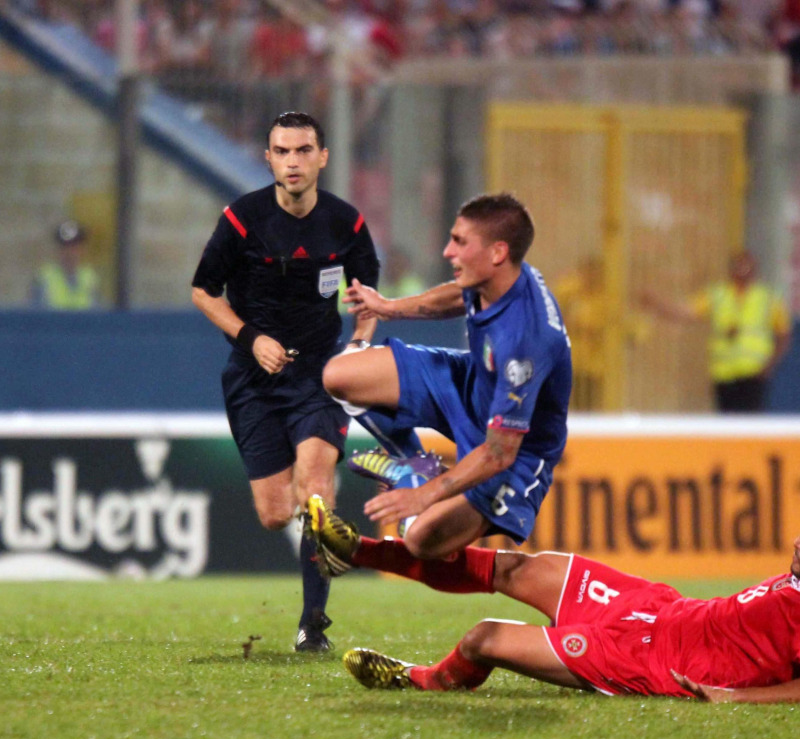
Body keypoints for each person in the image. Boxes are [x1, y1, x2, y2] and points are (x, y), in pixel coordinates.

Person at [191, 111, 380, 652]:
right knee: (276, 514)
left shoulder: (346, 223)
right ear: (269, 157)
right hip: (253, 378)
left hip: (318, 375)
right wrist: (251, 337)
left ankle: (312, 626)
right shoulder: (243, 219)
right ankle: (311, 533)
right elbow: (203, 291)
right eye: (282, 151)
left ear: (322, 156)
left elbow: (367, 297)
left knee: (316, 485)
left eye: (303, 150)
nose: (293, 161)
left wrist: (359, 346)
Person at [304, 500, 800, 703]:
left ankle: (417, 679)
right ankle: (358, 552)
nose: (796, 542)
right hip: (657, 606)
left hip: (651, 660)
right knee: (516, 565)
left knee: (483, 640)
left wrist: (738, 697)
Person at [320, 192, 572, 559]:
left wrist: (425, 496)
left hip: (515, 450)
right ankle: (412, 467)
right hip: (471, 384)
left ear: (497, 252)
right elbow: (458, 295)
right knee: (339, 375)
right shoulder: (499, 276)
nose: (447, 252)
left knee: (421, 542)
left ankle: (424, 489)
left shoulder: (525, 341)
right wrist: (388, 308)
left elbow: (499, 453)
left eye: (459, 242)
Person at [640, 251, 791, 413]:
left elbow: (783, 335)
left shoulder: (768, 298)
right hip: (724, 373)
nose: (742, 270)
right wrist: (656, 304)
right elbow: (684, 312)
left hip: (753, 372)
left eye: (746, 266)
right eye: (738, 266)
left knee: (750, 425)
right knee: (727, 425)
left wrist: (770, 366)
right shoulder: (718, 295)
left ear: (755, 269)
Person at [31, 220, 103, 309]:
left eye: (75, 247)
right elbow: (36, 315)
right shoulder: (44, 278)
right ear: (58, 250)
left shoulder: (90, 278)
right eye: (65, 247)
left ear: (82, 250)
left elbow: (98, 312)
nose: (70, 253)